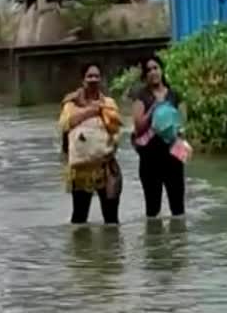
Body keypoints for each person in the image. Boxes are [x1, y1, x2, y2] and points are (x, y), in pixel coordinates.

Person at [58, 63, 123, 226]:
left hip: (105, 168)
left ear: (101, 79)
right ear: (83, 80)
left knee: (112, 220)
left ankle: (112, 250)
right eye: (89, 76)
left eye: (96, 76)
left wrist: (112, 145)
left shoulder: (109, 103)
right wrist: (92, 110)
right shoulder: (71, 104)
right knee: (79, 218)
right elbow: (66, 124)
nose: (93, 79)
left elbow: (116, 129)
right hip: (81, 171)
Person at [132, 55, 186, 219]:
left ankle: (178, 243)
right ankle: (154, 243)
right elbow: (138, 128)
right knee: (153, 211)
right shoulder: (141, 97)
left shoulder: (175, 95)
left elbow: (183, 124)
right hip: (150, 159)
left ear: (162, 70)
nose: (153, 72)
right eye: (148, 70)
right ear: (144, 76)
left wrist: (173, 126)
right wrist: (153, 109)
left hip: (173, 158)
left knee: (178, 211)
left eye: (156, 68)